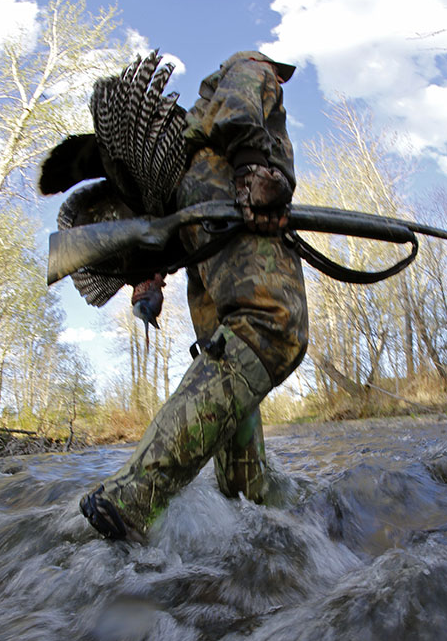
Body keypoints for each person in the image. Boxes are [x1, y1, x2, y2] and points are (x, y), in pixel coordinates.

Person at [53, 50, 309, 540]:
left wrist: (149, 277)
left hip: (202, 222)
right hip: (221, 192)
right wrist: (252, 168)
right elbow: (239, 103)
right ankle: (134, 497)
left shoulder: (189, 161)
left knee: (229, 348)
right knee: (270, 326)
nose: (279, 79)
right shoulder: (253, 66)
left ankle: (245, 505)